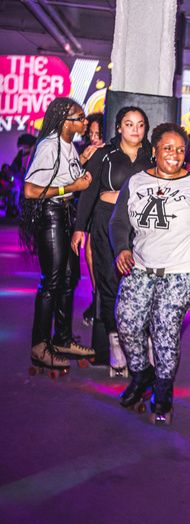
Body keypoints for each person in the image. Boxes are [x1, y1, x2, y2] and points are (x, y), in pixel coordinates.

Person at [110, 123, 190, 424]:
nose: (174, 154)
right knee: (126, 320)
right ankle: (141, 375)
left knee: (164, 322)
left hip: (186, 268)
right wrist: (122, 249)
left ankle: (163, 391)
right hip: (141, 264)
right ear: (155, 151)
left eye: (180, 149)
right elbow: (119, 222)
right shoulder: (137, 181)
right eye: (168, 148)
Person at [72, 107, 152, 372]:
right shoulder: (105, 154)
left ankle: (142, 343)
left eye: (140, 125)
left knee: (139, 284)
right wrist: (79, 227)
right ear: (119, 127)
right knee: (108, 282)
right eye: (129, 124)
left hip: (139, 224)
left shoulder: (151, 155)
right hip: (106, 219)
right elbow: (89, 190)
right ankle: (115, 342)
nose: (135, 130)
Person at [20, 97, 96, 375]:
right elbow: (30, 190)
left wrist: (84, 159)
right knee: (51, 281)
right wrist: (71, 187)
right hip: (50, 216)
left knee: (68, 278)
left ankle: (62, 340)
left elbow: (67, 176)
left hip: (63, 215)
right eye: (80, 118)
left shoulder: (68, 145)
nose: (84, 122)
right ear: (65, 121)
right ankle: (39, 345)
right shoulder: (49, 145)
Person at [76, 111, 105, 327]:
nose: (94, 138)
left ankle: (101, 301)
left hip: (106, 208)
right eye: (91, 133)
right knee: (88, 253)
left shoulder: (111, 152)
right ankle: (97, 299)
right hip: (89, 205)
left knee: (98, 254)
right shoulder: (87, 151)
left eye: (98, 134)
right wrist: (84, 158)